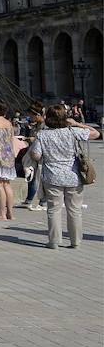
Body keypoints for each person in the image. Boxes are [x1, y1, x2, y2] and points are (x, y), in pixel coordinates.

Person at [29, 105, 100, 250]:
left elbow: (36, 155)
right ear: (64, 117)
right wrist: (77, 123)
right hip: (73, 176)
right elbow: (95, 134)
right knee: (74, 210)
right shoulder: (72, 132)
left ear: (48, 118)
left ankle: (54, 241)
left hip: (52, 176)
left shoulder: (43, 135)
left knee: (53, 209)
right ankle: (75, 241)